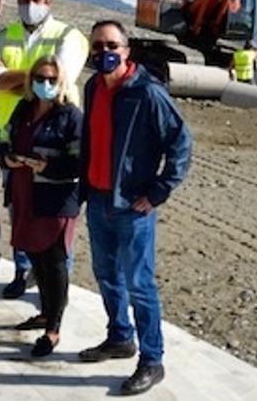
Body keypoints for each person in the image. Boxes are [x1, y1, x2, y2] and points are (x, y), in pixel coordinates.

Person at [78, 20, 191, 395]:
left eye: (111, 45)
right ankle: (120, 338)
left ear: (126, 50)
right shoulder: (93, 86)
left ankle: (152, 360)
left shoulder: (147, 93)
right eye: (97, 46)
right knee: (106, 275)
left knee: (140, 285)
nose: (104, 52)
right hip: (97, 200)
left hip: (133, 207)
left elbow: (180, 144)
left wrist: (158, 191)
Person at [0, 0, 87, 299]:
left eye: (36, 0)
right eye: (24, 0)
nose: (30, 6)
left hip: (57, 138)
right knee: (20, 212)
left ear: (48, 3)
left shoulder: (69, 36)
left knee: (54, 218)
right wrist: (33, 76)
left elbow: (60, 77)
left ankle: (55, 289)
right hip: (16, 135)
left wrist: (8, 77)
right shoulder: (4, 35)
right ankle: (22, 271)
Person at [0, 55, 83, 357]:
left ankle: (53, 329)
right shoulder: (23, 109)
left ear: (61, 83)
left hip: (56, 199)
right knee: (35, 255)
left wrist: (47, 167)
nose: (44, 84)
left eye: (51, 79)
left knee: (54, 261)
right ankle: (45, 312)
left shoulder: (70, 116)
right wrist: (5, 157)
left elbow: (78, 161)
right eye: (39, 78)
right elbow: (3, 139)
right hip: (23, 193)